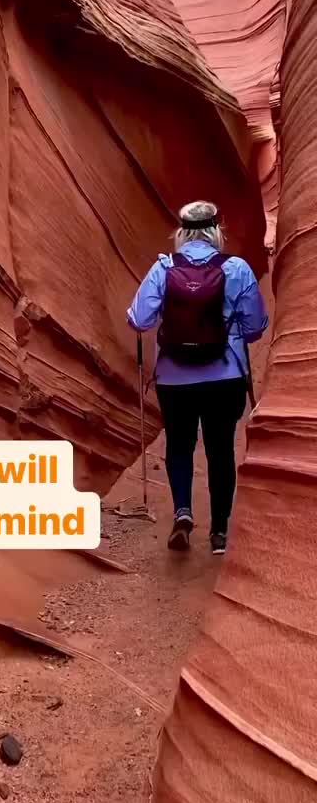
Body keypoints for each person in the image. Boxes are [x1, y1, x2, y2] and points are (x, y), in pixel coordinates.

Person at [127, 201, 268, 555]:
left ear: (182, 232)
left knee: (179, 445)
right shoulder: (236, 268)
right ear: (217, 230)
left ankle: (182, 513)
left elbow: (140, 320)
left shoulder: (163, 268)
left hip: (175, 377)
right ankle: (219, 533)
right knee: (221, 450)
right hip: (225, 375)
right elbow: (255, 328)